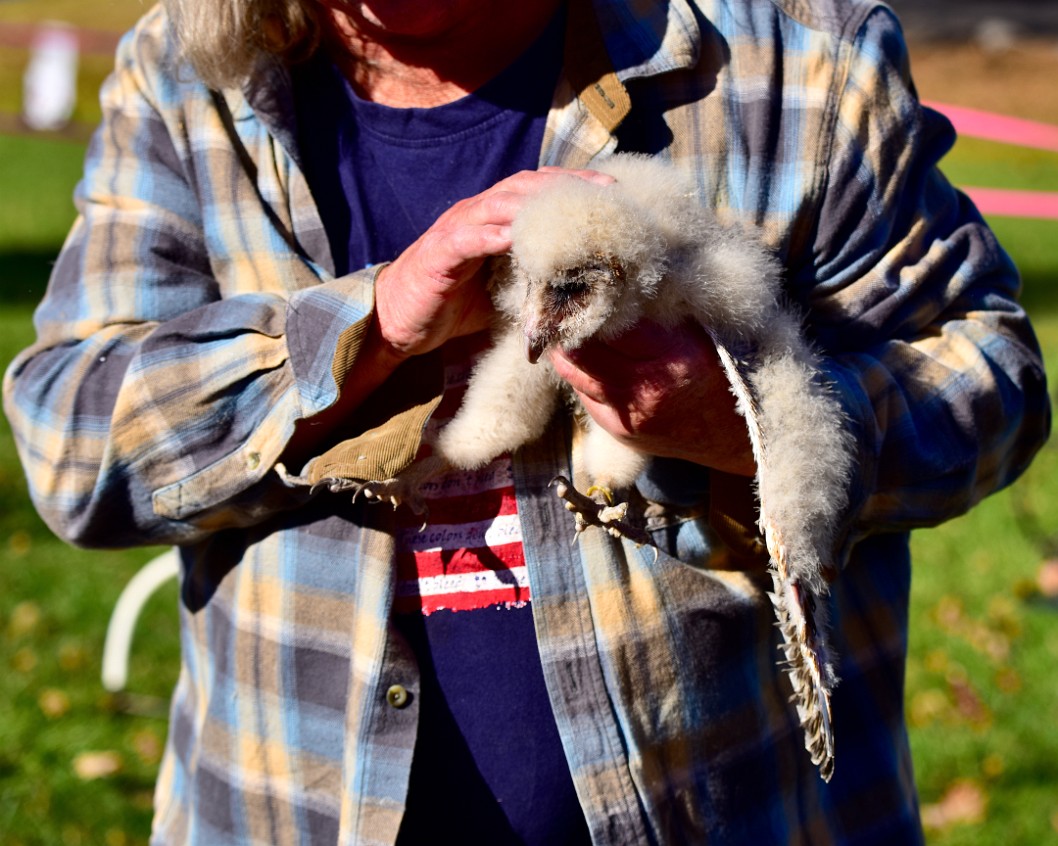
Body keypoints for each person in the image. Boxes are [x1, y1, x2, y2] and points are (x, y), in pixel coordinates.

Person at [3, 0, 1050, 842]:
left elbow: (987, 379)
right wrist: (361, 332)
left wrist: (736, 423)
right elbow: (69, 444)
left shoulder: (786, 66)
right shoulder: (191, 80)